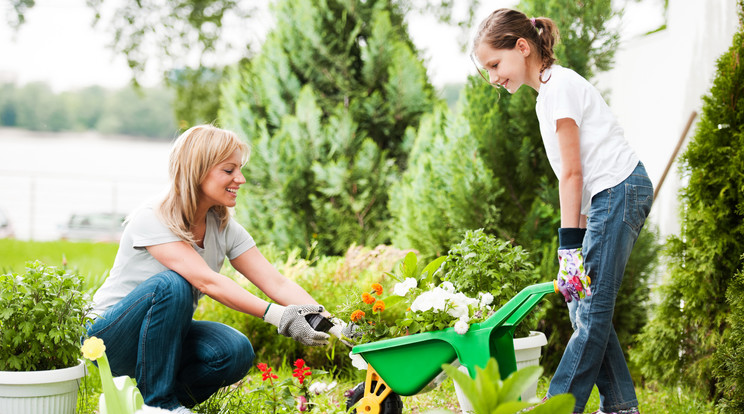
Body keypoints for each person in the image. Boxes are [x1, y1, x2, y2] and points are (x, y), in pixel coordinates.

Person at [471, 8, 652, 414]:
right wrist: (577, 241)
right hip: (606, 197)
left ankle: (557, 408)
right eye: (487, 70)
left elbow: (573, 172)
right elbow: (577, 175)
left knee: (590, 314)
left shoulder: (561, 88)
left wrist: (569, 247)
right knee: (583, 308)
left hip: (620, 190)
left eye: (495, 64)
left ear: (522, 47)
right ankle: (622, 407)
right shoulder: (547, 96)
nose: (494, 78)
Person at [87, 125, 341, 413]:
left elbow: (277, 283)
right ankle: (159, 405)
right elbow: (207, 281)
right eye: (229, 170)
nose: (240, 179)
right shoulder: (152, 217)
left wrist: (334, 324)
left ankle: (143, 402)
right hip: (109, 337)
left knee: (234, 351)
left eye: (240, 170)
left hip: (163, 341)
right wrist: (280, 316)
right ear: (198, 171)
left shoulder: (223, 226)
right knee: (173, 283)